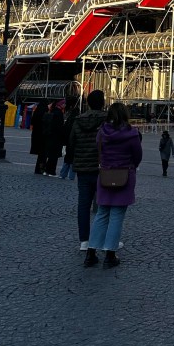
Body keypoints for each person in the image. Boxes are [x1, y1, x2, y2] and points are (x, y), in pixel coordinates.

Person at [84, 102, 143, 269]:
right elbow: (138, 156)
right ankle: (110, 254)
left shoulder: (102, 133)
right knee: (117, 215)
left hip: (105, 175)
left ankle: (91, 252)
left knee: (102, 213)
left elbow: (98, 150)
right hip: (124, 176)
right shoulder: (132, 134)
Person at [67, 89, 107, 251]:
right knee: (104, 204)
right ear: (102, 103)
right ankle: (102, 238)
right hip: (102, 167)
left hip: (82, 167)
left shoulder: (78, 120)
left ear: (88, 103)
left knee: (83, 205)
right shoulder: (106, 120)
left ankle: (84, 240)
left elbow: (71, 142)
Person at [41, 101, 65, 176]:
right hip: (56, 137)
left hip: (49, 135)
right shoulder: (59, 113)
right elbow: (59, 126)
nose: (65, 105)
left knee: (49, 154)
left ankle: (46, 169)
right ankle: (51, 171)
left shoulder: (52, 111)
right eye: (64, 104)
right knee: (54, 155)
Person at [30, 100, 48, 173]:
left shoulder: (37, 111)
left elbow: (32, 122)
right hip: (43, 135)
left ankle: (38, 169)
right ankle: (41, 168)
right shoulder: (45, 112)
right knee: (43, 154)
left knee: (40, 154)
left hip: (36, 135)